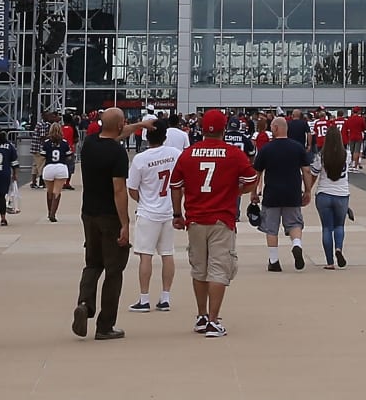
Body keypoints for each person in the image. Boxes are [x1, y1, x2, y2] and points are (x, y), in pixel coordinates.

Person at [169, 109, 259, 338]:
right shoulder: (233, 154)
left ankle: (201, 315)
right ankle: (213, 319)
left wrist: (177, 214)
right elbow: (252, 180)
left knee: (199, 268)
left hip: (196, 218)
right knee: (219, 268)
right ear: (223, 128)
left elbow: (176, 184)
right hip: (222, 218)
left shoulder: (188, 154)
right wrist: (236, 191)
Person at [72, 107, 133, 341]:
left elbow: (116, 130)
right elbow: (119, 190)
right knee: (114, 270)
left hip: (89, 212)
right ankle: (105, 325)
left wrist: (138, 127)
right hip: (109, 216)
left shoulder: (89, 144)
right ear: (119, 126)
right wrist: (125, 223)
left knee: (92, 263)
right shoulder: (117, 153)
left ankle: (85, 303)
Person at [126, 120, 178, 313]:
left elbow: (132, 188)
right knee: (167, 253)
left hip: (148, 211)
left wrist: (143, 201)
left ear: (147, 137)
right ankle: (165, 297)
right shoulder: (175, 154)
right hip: (169, 209)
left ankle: (144, 298)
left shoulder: (141, 159)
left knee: (145, 255)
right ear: (165, 137)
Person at [251, 115, 314, 272]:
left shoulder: (266, 149)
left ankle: (274, 261)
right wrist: (307, 190)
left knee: (271, 228)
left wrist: (254, 192)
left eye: (272, 127)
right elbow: (306, 170)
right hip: (292, 193)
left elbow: (256, 173)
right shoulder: (298, 147)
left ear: (276, 128)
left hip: (272, 193)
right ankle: (296, 244)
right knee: (294, 223)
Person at [312, 123, 351, 269]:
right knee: (339, 225)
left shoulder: (321, 156)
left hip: (324, 194)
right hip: (342, 193)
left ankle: (329, 262)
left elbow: (314, 174)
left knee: (327, 228)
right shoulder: (346, 155)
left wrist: (307, 190)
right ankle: (339, 249)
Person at [41, 123, 71, 222]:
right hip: (61, 167)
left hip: (49, 167)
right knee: (57, 192)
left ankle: (49, 212)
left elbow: (43, 155)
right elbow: (69, 156)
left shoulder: (46, 143)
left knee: (49, 191)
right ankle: (53, 214)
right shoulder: (64, 143)